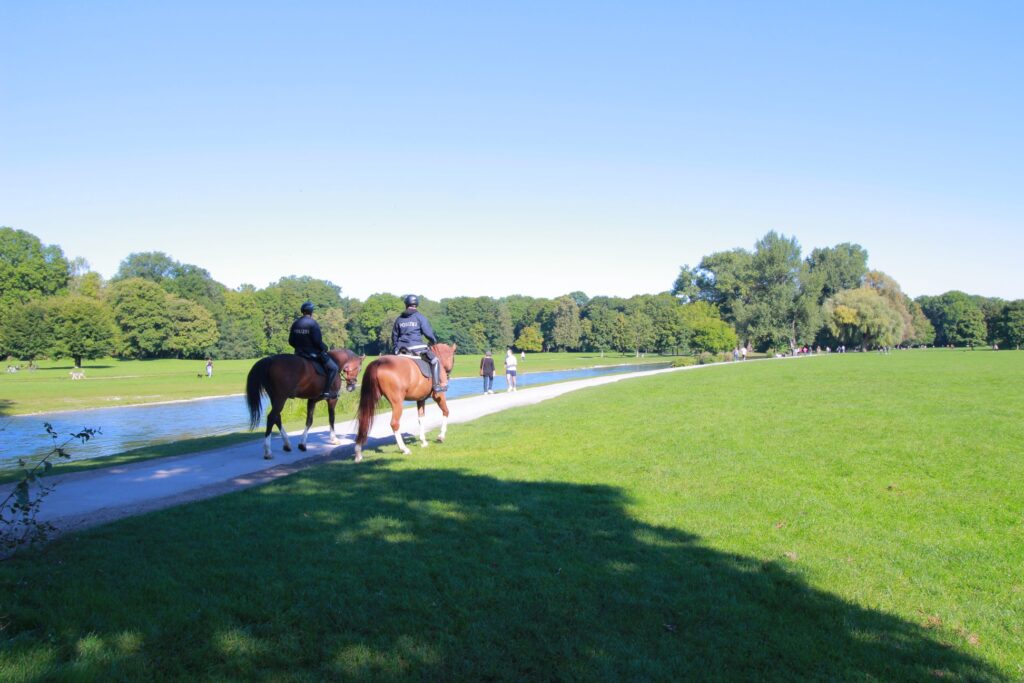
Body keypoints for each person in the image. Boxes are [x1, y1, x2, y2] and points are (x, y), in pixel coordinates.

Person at [392, 294, 445, 392]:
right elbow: (428, 333)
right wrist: (433, 340)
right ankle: (436, 385)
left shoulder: (399, 319)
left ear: (406, 304)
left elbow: (394, 335)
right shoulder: (420, 317)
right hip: (416, 348)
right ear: (416, 304)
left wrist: (395, 348)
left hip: (401, 349)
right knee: (435, 361)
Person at [289, 301, 339, 399]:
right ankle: (326, 392)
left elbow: (291, 341)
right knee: (334, 368)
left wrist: (299, 347)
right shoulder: (313, 323)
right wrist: (324, 348)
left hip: (298, 353)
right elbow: (317, 341)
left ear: (302, 311)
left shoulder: (296, 323)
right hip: (312, 354)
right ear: (311, 312)